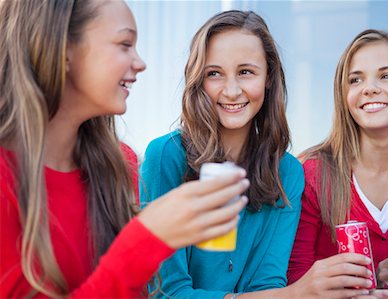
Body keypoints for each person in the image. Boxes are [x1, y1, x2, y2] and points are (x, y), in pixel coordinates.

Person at [141, 11, 388, 299]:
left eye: (245, 72)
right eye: (213, 73)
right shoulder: (166, 157)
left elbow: (267, 285)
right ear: (198, 80)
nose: (231, 90)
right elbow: (166, 292)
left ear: (268, 77)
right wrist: (299, 293)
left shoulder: (287, 172)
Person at [0, 1, 249, 297]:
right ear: (63, 47)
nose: (140, 62)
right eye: (124, 44)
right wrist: (146, 239)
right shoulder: (6, 178)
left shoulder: (118, 165)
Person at [287, 29, 388, 297]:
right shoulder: (312, 173)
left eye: (386, 76)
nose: (370, 88)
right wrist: (371, 281)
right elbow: (295, 283)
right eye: (355, 80)